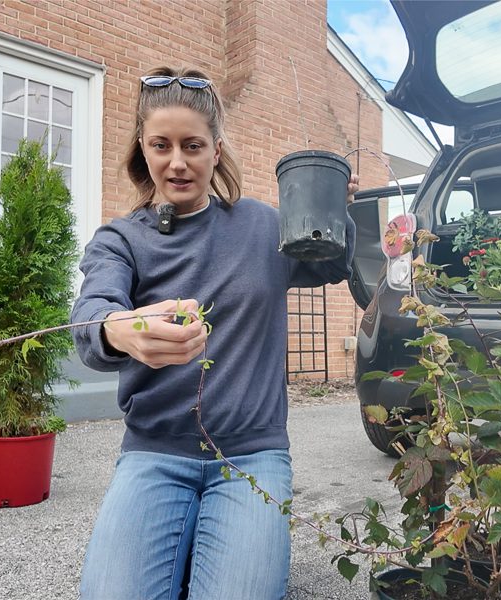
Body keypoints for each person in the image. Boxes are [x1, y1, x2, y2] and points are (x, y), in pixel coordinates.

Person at [71, 65, 359, 600]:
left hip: (251, 455)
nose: (177, 162)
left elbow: (332, 262)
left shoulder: (264, 227)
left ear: (216, 149)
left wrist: (338, 212)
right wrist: (119, 329)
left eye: (193, 146)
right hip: (153, 453)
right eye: (161, 145)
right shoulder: (119, 240)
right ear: (143, 147)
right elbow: (92, 313)